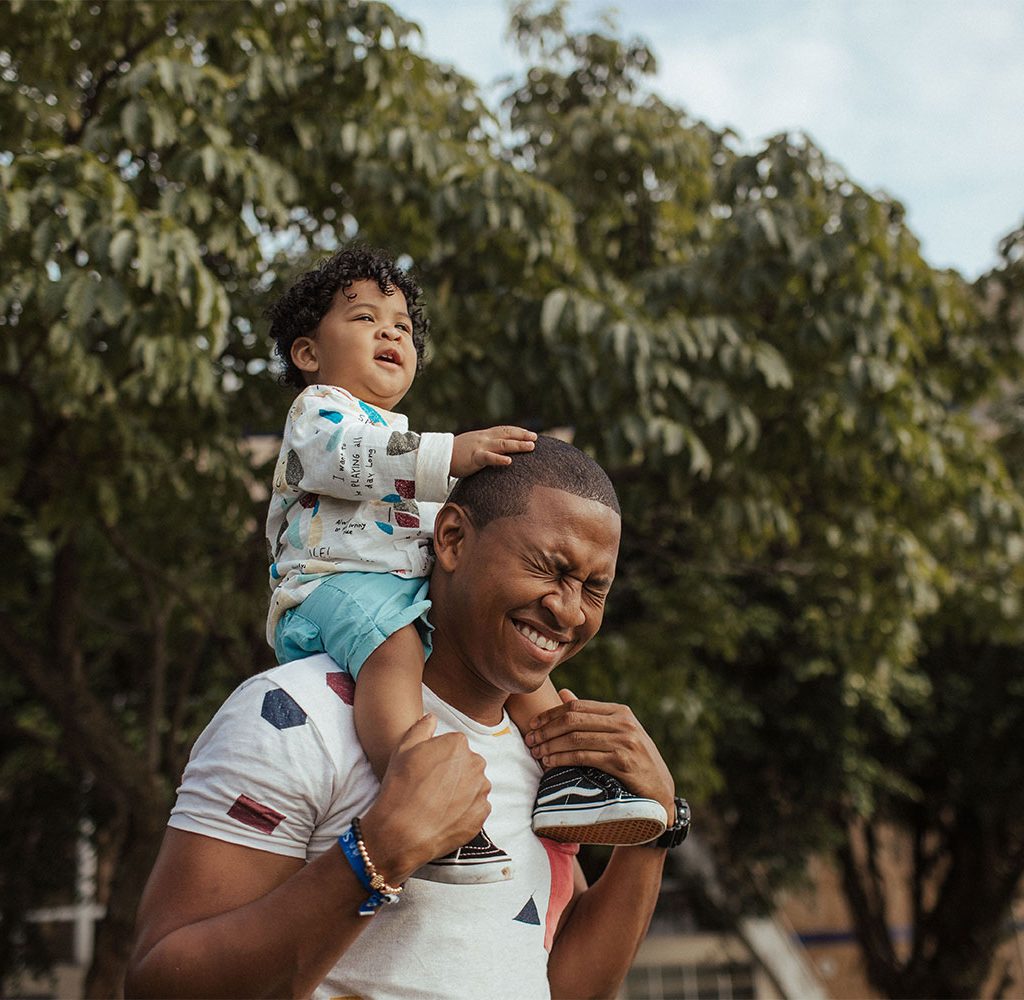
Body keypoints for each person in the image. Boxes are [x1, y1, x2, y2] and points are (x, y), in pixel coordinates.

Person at [127, 436, 690, 999]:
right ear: (451, 540)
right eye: (547, 568)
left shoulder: (542, 755)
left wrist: (656, 825)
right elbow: (158, 984)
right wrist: (377, 853)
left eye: (594, 588)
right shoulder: (297, 715)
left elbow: (562, 987)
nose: (568, 610)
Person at [262, 245, 666, 881]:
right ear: (309, 353)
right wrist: (452, 454)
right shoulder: (320, 416)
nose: (390, 333)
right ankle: (419, 786)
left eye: (401, 327)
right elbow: (347, 456)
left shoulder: (398, 437)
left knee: (525, 672)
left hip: (392, 588)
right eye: (365, 319)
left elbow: (430, 524)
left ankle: (569, 776)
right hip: (327, 587)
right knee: (395, 649)